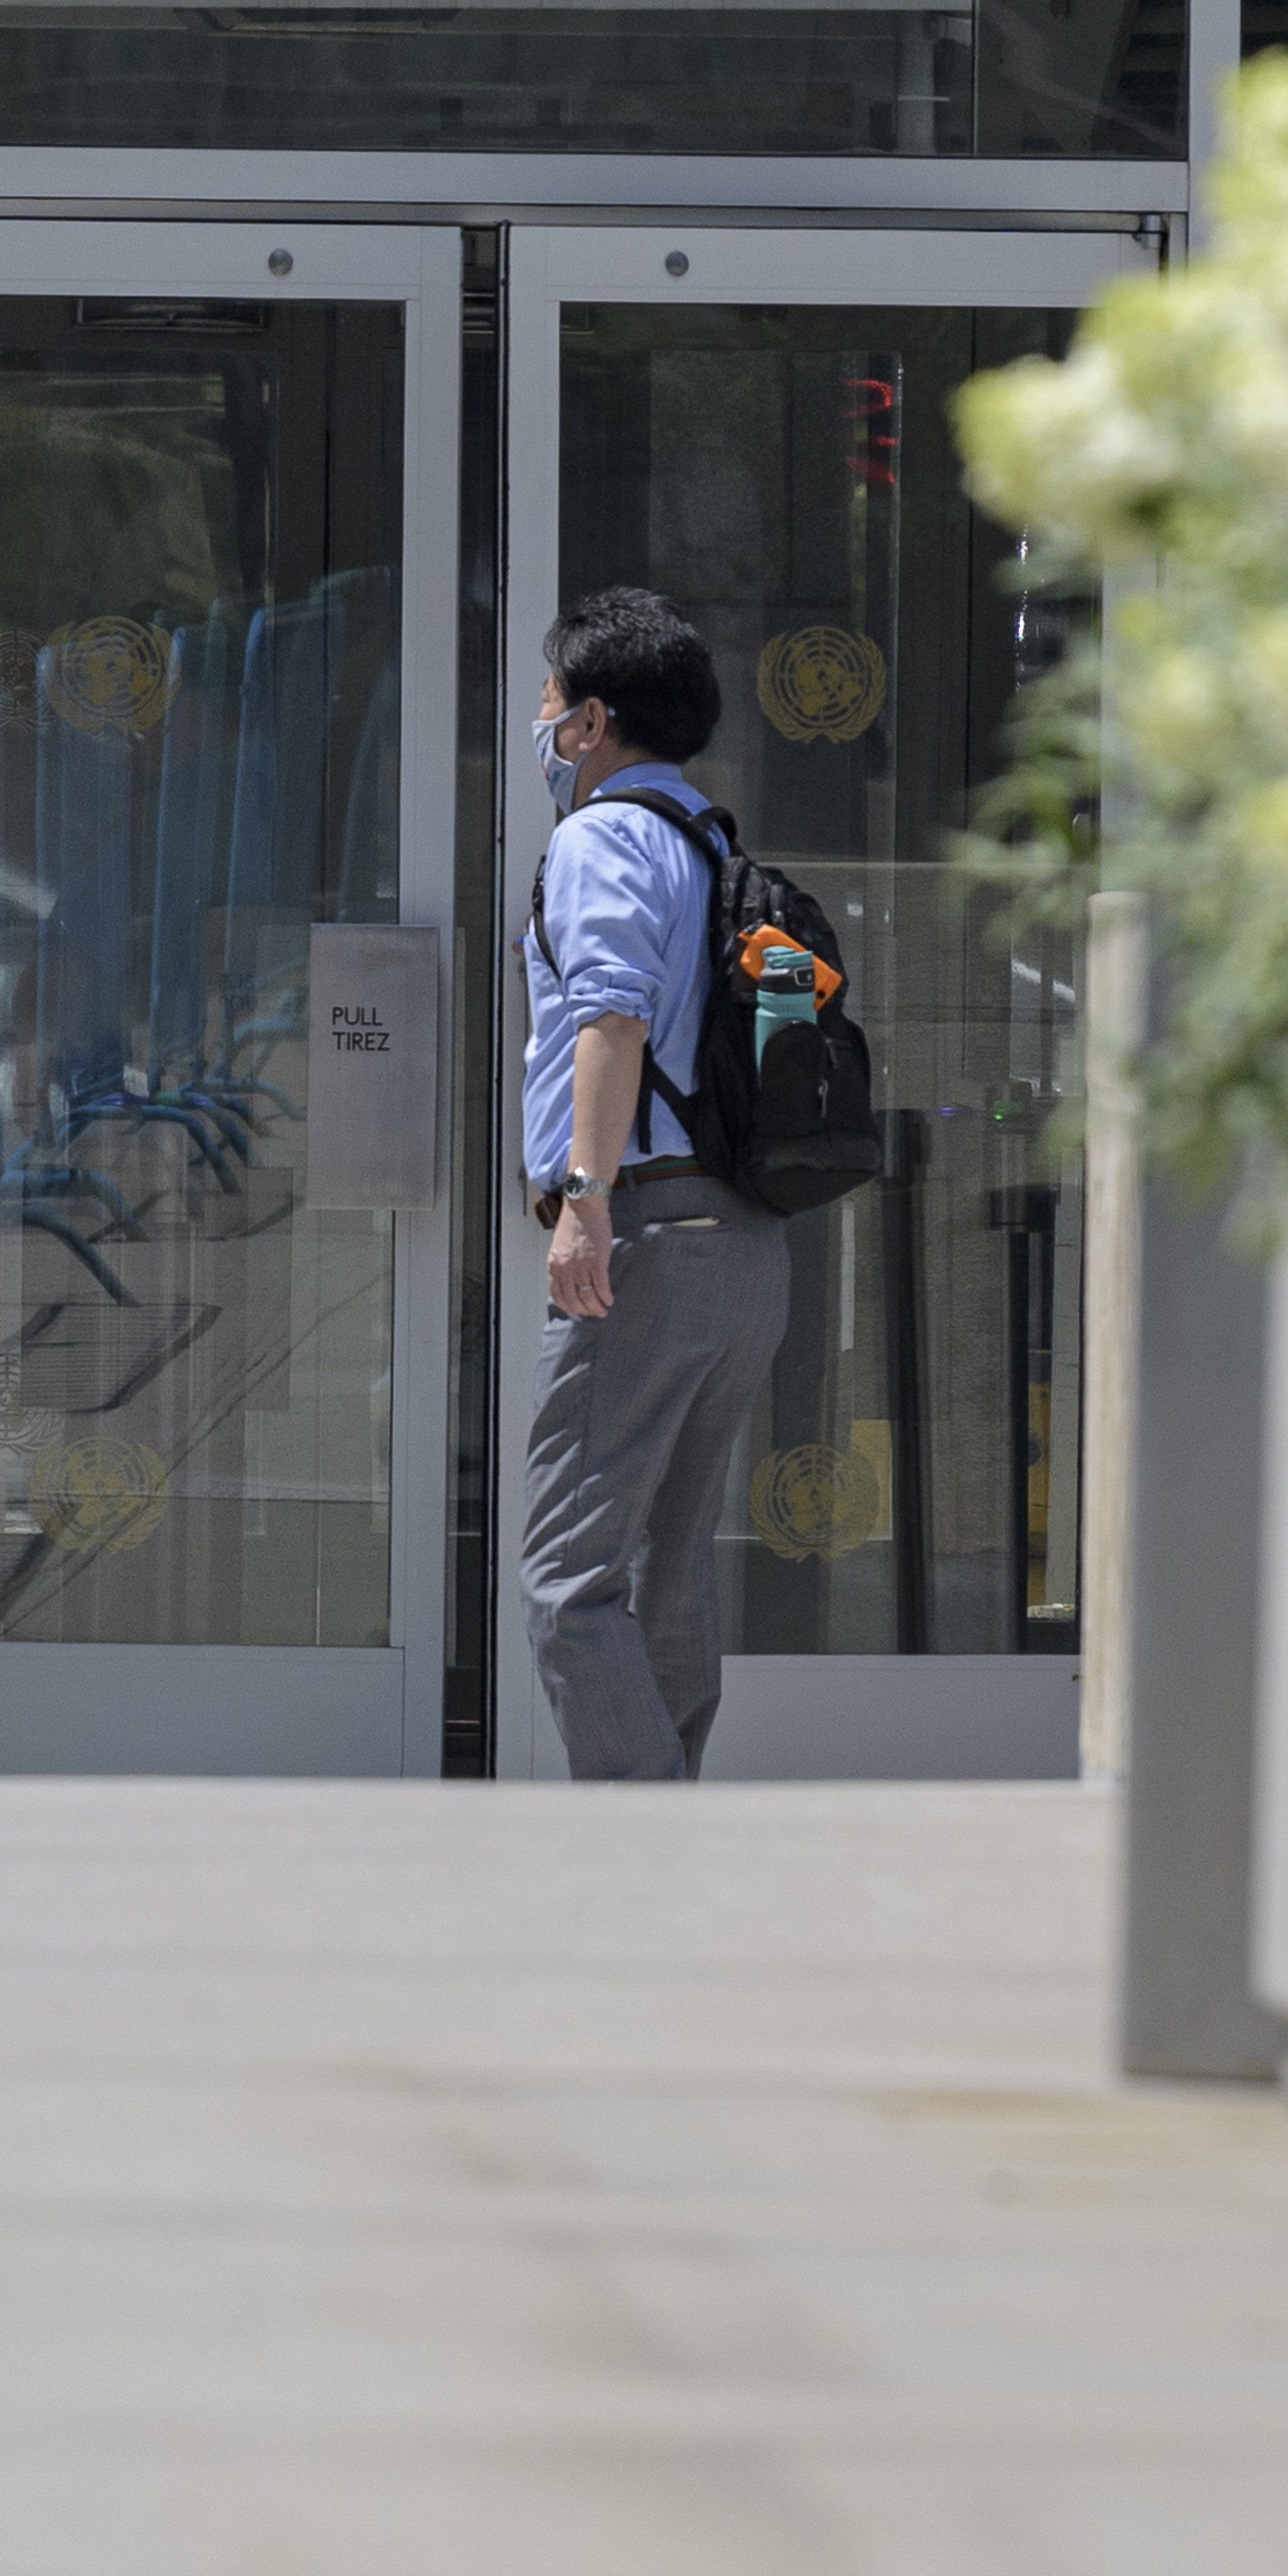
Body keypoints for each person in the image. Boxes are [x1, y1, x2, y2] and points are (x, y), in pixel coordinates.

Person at [513, 588, 787, 1783]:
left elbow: (610, 1016)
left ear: (591, 721)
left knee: (567, 1583)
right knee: (668, 1569)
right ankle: (682, 1855)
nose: (540, 720)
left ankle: (638, 1855)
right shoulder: (712, 842)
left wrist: (585, 1197)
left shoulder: (602, 838)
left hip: (652, 1233)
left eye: (548, 698)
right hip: (743, 1245)